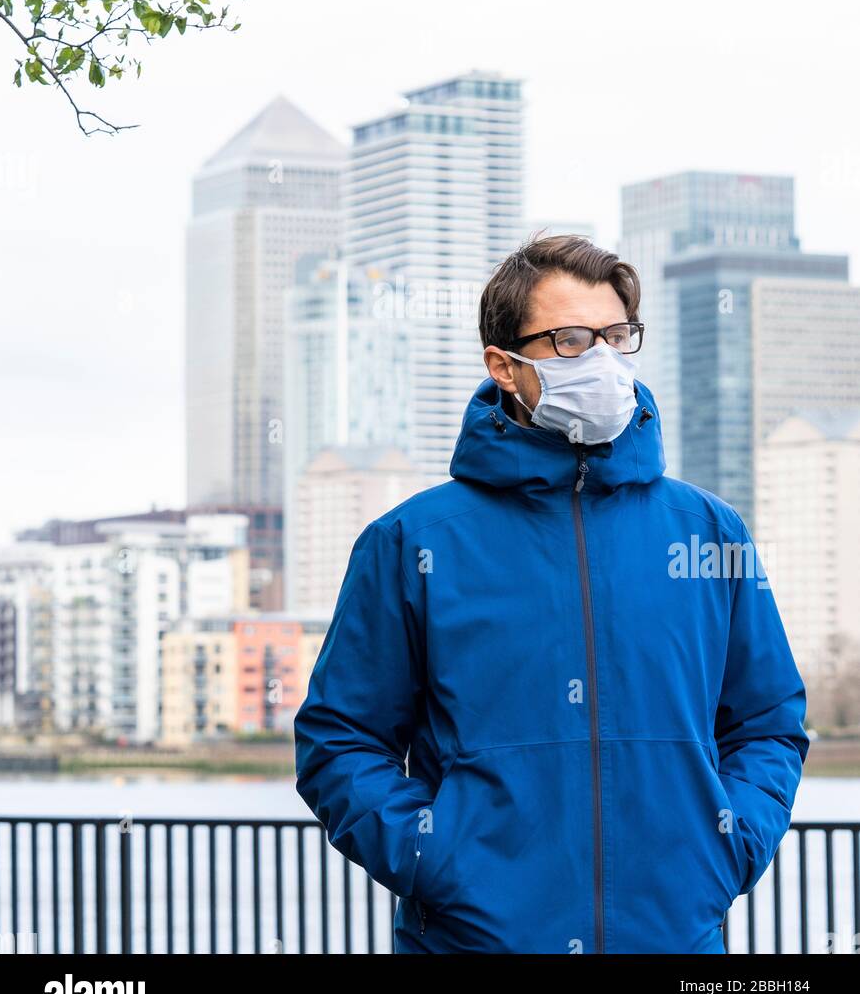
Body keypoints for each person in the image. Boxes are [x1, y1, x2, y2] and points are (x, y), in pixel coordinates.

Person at [293, 234, 809, 954]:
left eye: (617, 336)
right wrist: (437, 860)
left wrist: (728, 849)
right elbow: (340, 738)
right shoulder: (412, 542)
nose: (600, 360)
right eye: (570, 340)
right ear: (504, 366)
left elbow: (767, 721)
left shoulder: (708, 531)